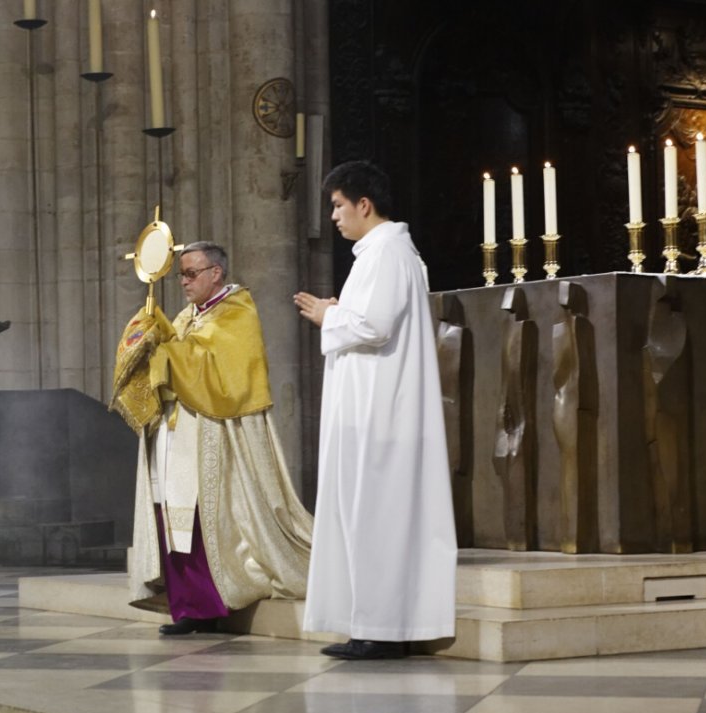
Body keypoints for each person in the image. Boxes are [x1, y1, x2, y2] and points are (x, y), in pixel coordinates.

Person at [295, 160, 458, 659]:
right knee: (366, 514)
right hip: (371, 406)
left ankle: (383, 631)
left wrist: (330, 315)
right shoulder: (380, 252)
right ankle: (374, 624)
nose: (335, 218)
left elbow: (376, 325)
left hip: (381, 413)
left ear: (364, 204)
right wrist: (340, 313)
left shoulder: (387, 250)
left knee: (378, 515)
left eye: (339, 206)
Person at [111, 241, 312, 635]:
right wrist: (150, 332)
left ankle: (208, 605)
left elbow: (218, 369)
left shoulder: (237, 311)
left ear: (215, 273)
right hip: (174, 431)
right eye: (181, 274)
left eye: (190, 273)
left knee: (202, 518)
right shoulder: (190, 315)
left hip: (213, 432)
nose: (183, 281)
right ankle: (185, 606)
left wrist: (166, 352)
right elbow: (180, 348)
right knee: (170, 516)